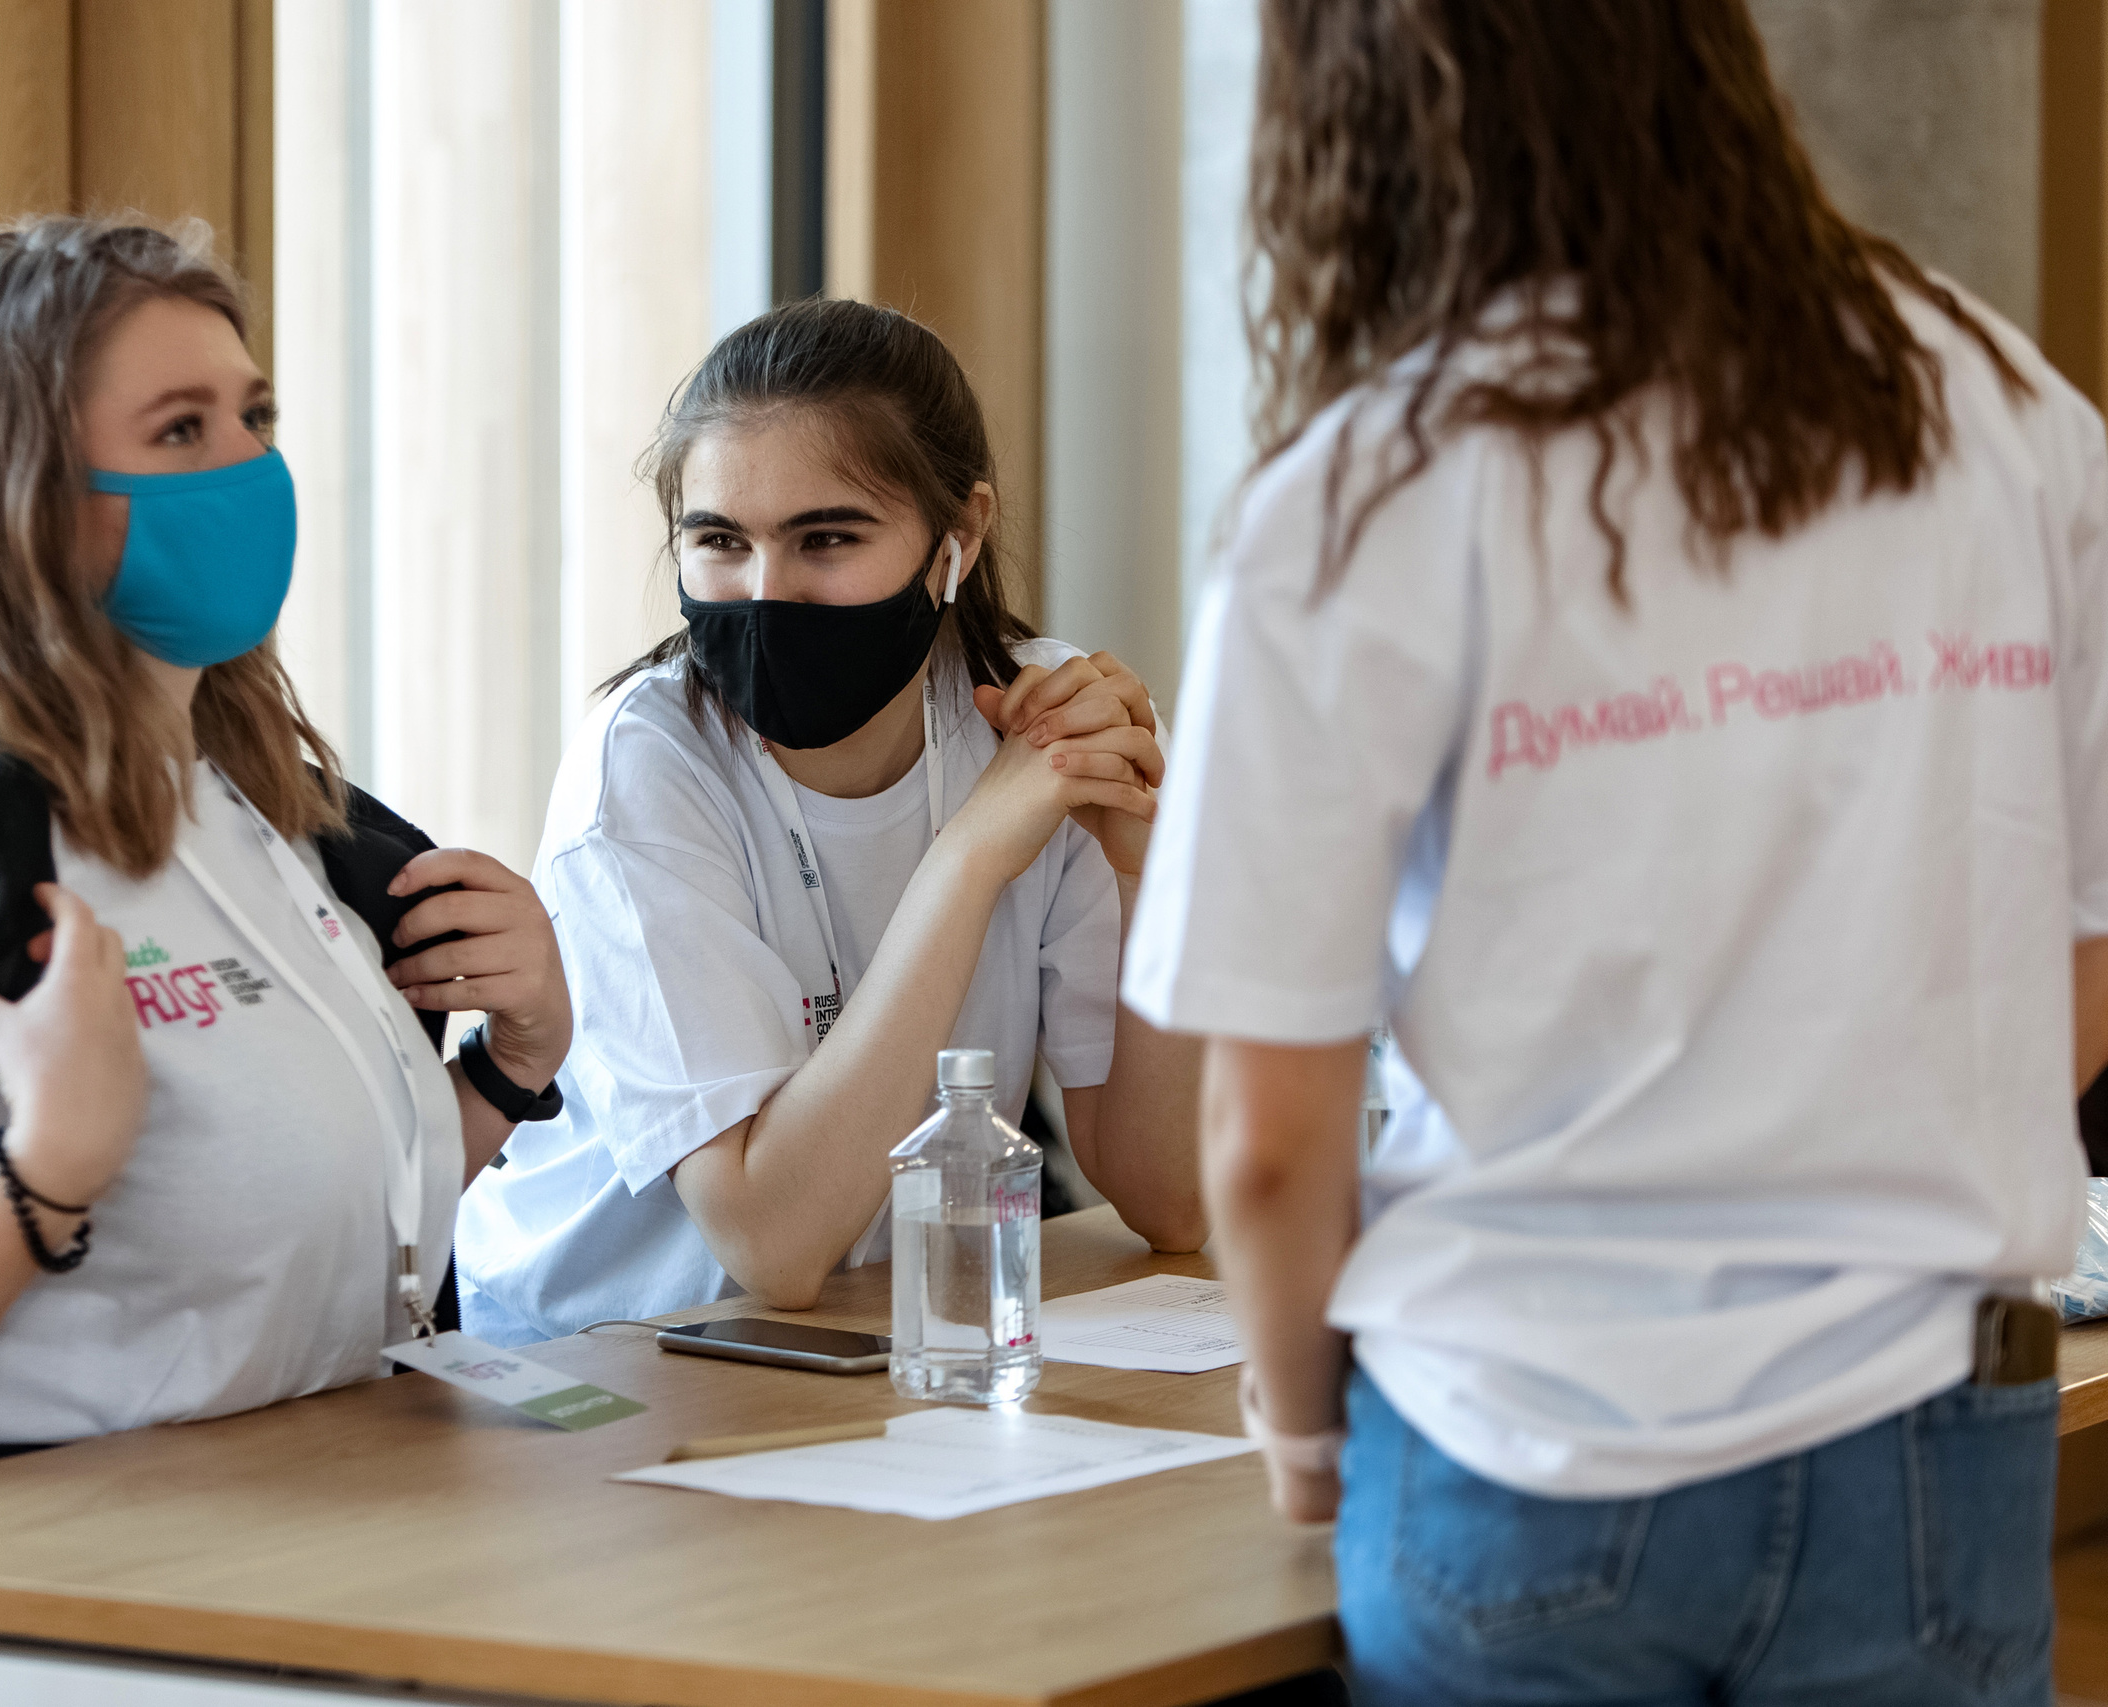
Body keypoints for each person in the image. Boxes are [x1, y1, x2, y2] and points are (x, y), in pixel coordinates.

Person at [1123, 3, 2108, 1701]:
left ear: (1348, 112)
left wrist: (1300, 1429)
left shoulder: (1366, 496)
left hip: (1523, 1452)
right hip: (1934, 1445)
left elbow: (1269, 1139)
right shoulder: (2006, 409)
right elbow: (2072, 970)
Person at [0, 217, 572, 1525]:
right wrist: (50, 1164)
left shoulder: (283, 817)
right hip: (32, 1583)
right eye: (181, 430)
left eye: (256, 415)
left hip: (315, 1522)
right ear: (16, 492)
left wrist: (506, 1067)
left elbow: (284, 1217)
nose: (249, 465)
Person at [456, 299, 1204, 1343]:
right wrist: (972, 857)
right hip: (607, 1360)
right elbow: (773, 1244)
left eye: (826, 539)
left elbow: (1171, 1204)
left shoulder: (1047, 722)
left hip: (875, 1341)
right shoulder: (644, 765)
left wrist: (1152, 869)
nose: (768, 594)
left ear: (961, 533)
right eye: (720, 540)